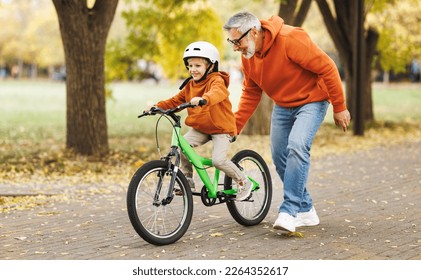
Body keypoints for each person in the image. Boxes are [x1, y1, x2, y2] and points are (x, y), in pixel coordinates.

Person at [223, 12, 351, 232]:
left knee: (297, 145)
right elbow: (251, 93)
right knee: (279, 155)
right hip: (283, 105)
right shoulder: (249, 57)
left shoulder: (290, 39)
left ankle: (289, 211)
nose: (236, 48)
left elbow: (327, 67)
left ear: (254, 32)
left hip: (313, 101)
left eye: (238, 41)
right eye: (232, 42)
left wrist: (339, 107)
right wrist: (235, 126)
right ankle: (306, 210)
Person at [144, 41, 252, 201]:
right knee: (182, 146)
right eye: (190, 65)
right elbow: (175, 101)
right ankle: (187, 179)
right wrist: (156, 107)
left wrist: (204, 99)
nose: (192, 69)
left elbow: (217, 93)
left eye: (197, 66)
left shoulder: (216, 80)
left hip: (222, 128)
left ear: (210, 66)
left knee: (218, 160)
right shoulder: (190, 85)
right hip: (202, 128)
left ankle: (243, 181)